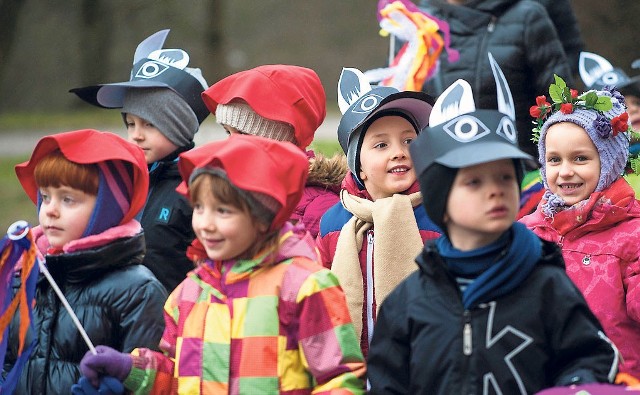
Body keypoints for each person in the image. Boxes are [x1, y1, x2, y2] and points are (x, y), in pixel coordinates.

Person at [367, 54, 619, 394]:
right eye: (474, 182)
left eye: (504, 177)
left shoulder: (546, 284)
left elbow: (591, 358)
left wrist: (574, 386)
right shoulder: (408, 301)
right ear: (441, 198)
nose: (496, 191)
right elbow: (386, 384)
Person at [74, 134, 367, 394]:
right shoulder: (187, 294)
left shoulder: (305, 287)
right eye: (199, 208)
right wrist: (130, 369)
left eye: (223, 211)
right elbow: (177, 377)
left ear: (264, 216)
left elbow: (339, 379)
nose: (205, 224)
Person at [3, 129, 167, 394]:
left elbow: (149, 381)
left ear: (108, 208)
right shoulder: (27, 271)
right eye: (45, 197)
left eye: (68, 199)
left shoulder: (139, 291)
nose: (50, 210)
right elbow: (8, 361)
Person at [70, 29, 210, 293]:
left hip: (174, 315)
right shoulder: (122, 180)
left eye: (149, 124)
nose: (136, 135)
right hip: (123, 311)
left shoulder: (197, 186)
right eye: (130, 123)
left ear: (178, 127)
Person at [520, 75, 640, 378]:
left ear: (610, 161)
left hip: (615, 382)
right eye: (554, 160)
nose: (565, 171)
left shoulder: (632, 235)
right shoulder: (525, 233)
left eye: (580, 158)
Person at [316, 67, 441, 357]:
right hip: (353, 369)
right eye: (381, 144)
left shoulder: (437, 215)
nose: (398, 152)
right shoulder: (334, 223)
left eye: (409, 141)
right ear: (357, 164)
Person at [416, 0, 574, 158]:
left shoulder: (527, 16)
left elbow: (561, 108)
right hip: (445, 174)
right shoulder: (416, 23)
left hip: (521, 172)